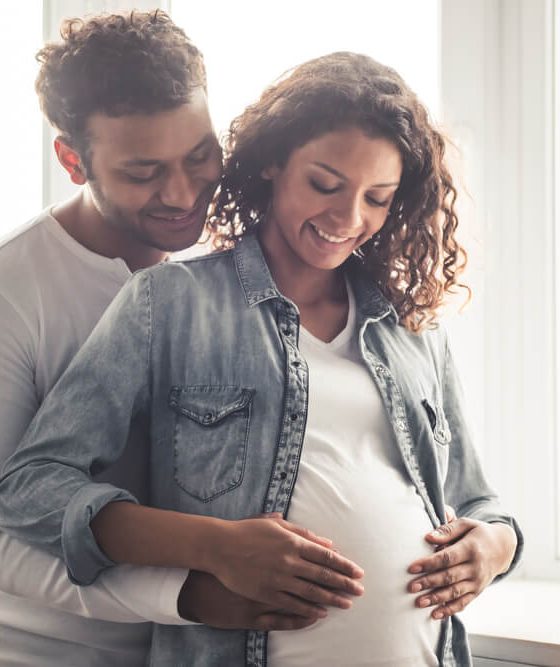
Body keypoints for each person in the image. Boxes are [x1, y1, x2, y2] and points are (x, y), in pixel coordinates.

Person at [0, 51, 523, 666]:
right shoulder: (166, 300)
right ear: (273, 161)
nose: (348, 218)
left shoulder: (410, 328)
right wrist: (213, 552)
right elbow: (29, 489)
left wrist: (496, 546)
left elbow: (479, 502)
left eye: (378, 198)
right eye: (325, 185)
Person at [0, 12, 361, 666]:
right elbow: (5, 532)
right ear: (71, 159)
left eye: (200, 156)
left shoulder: (232, 274)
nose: (183, 192)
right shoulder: (12, 294)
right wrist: (188, 591)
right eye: (143, 172)